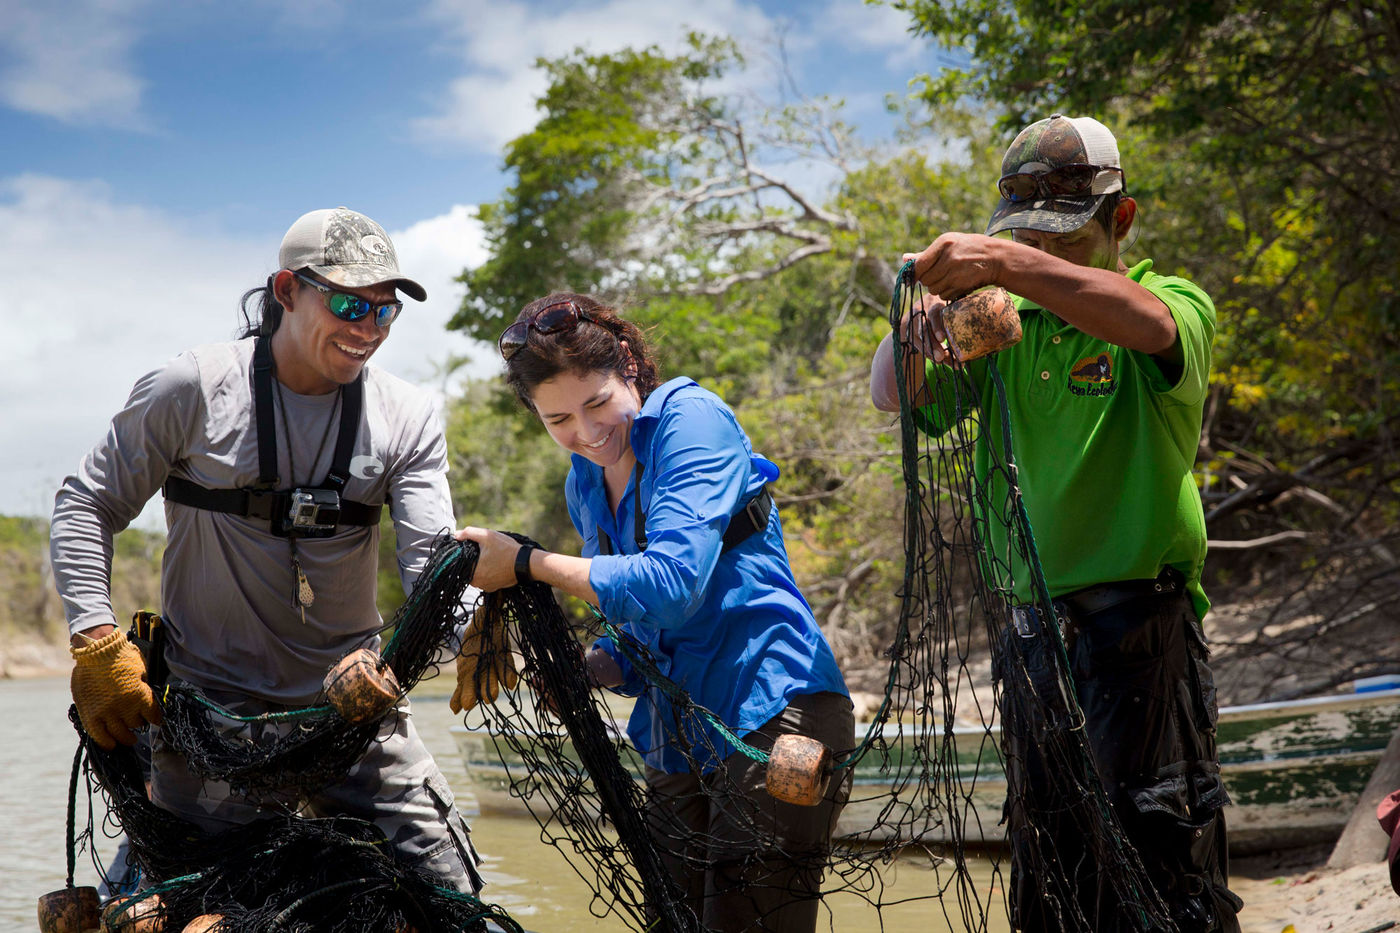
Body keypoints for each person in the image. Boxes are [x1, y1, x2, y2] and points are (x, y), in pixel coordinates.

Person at [870, 115, 1242, 931]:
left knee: (1161, 869)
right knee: (1056, 870)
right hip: (1033, 647)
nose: (1045, 256)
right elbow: (893, 394)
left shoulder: (1171, 306)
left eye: (1065, 238)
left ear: (1124, 219)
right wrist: (921, 319)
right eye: (1028, 237)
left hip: (1138, 639)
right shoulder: (1001, 328)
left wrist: (1006, 260)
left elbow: (1147, 324)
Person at [51, 207, 482, 894]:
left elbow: (435, 563)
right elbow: (85, 501)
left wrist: (472, 627)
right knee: (165, 902)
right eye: (348, 303)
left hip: (355, 715)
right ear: (286, 291)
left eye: (384, 312)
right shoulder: (190, 388)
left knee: (449, 891)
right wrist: (97, 644)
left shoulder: (408, 415)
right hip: (213, 720)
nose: (367, 328)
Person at [458, 293, 853, 932]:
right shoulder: (583, 479)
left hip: (770, 716)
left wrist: (528, 563)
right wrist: (591, 668)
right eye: (557, 418)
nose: (585, 435)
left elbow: (672, 584)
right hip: (675, 740)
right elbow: (643, 633)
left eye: (596, 404)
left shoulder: (689, 422)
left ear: (632, 370)